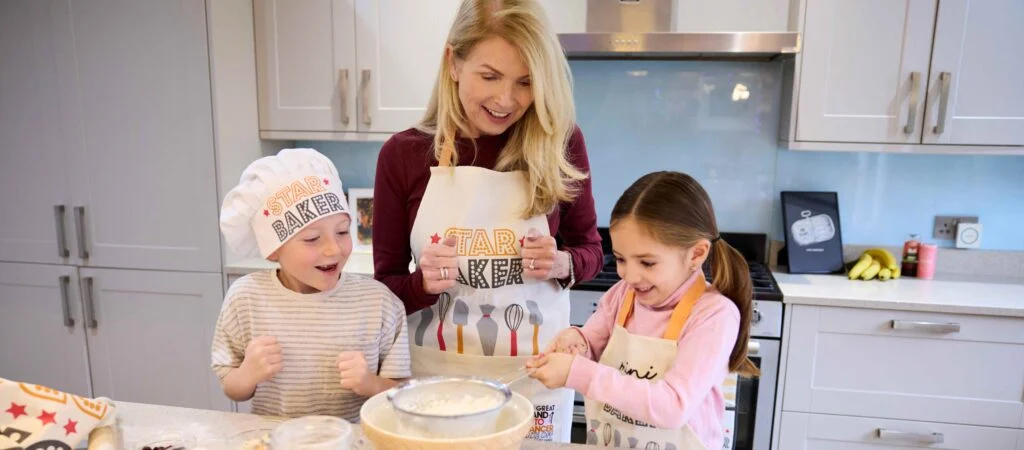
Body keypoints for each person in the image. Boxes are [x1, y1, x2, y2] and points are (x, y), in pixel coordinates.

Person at [371, 0, 602, 442]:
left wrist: (562, 263)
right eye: (490, 76)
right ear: (453, 63)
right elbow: (385, 291)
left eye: (525, 82)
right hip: (436, 384)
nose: (506, 100)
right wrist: (421, 285)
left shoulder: (561, 143)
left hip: (535, 378)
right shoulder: (403, 155)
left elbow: (591, 251)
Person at [527, 171, 759, 449]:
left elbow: (673, 406)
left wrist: (579, 373)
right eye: (621, 259)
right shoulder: (623, 295)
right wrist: (575, 342)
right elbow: (591, 342)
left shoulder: (714, 315)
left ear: (696, 254)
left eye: (647, 263)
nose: (630, 275)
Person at [213, 148, 410, 421]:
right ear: (273, 250)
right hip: (275, 438)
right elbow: (231, 387)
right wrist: (248, 373)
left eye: (342, 232)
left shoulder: (378, 303)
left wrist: (370, 383)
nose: (334, 249)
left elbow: (402, 392)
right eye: (312, 238)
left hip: (353, 439)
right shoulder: (246, 299)